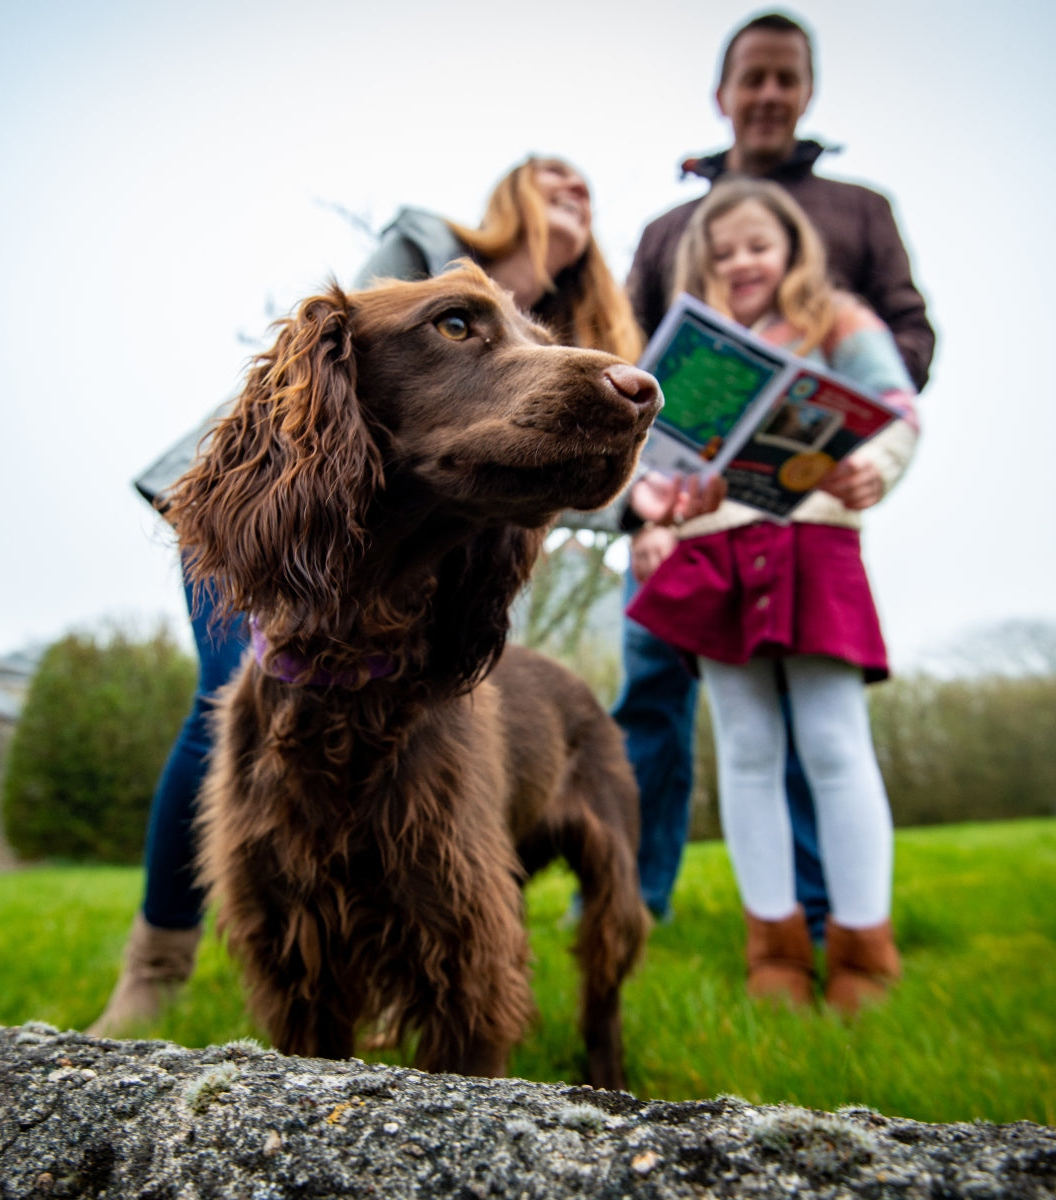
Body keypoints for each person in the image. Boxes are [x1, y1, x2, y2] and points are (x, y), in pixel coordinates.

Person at [87, 155, 642, 1037]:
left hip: (413, 610)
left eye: (591, 191)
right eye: (555, 182)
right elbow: (326, 391)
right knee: (233, 705)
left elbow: (523, 457)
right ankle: (156, 965)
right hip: (270, 520)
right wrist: (463, 316)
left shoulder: (561, 333)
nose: (577, 197)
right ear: (511, 199)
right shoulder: (429, 248)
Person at [618, 10, 935, 929]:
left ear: (804, 90)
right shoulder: (665, 231)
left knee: (830, 739)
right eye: (749, 78)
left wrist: (854, 442)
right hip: (704, 533)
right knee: (721, 733)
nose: (766, 94)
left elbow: (906, 347)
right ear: (723, 94)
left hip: (816, 522)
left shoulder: (858, 217)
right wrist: (653, 513)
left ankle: (848, 924)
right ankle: (707, 921)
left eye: (783, 77)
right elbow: (641, 374)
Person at [627, 177, 919, 1012]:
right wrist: (653, 515)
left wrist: (877, 465)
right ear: (700, 265)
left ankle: (866, 953)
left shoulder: (839, 319)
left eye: (757, 245)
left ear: (790, 246)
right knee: (747, 751)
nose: (742, 261)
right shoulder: (686, 353)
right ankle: (775, 951)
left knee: (833, 742)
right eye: (721, 254)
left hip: (814, 543)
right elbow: (656, 465)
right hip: (711, 553)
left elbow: (897, 408)